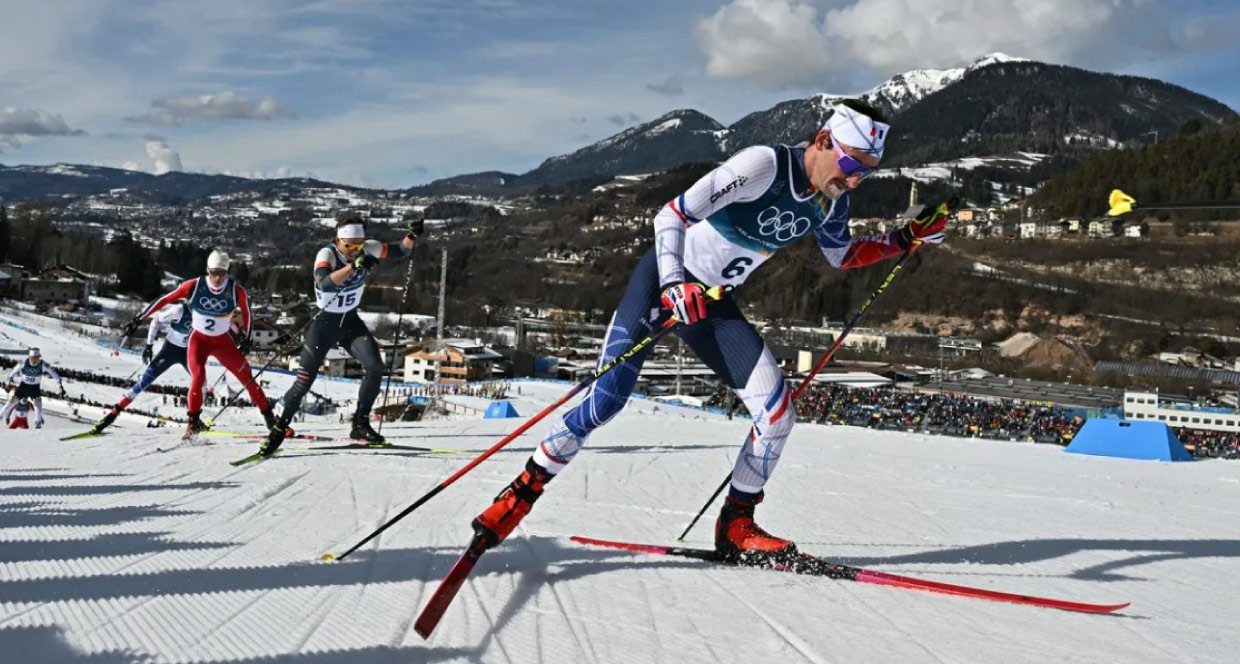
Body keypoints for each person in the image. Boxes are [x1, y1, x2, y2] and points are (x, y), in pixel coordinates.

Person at [471, 100, 953, 560]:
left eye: (867, 172)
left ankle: (736, 526)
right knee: (606, 401)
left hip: (713, 305)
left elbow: (841, 255)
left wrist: (903, 239)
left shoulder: (831, 203)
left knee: (777, 414)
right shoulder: (763, 164)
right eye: (852, 165)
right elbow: (671, 214)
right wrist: (676, 282)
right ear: (825, 140)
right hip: (663, 283)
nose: (855, 180)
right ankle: (522, 492)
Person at [256, 215, 421, 456]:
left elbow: (400, 251)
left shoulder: (368, 248)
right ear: (337, 240)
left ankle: (361, 424)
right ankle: (278, 430)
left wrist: (412, 236)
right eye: (349, 246)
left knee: (375, 367)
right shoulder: (327, 254)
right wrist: (353, 266)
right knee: (304, 380)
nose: (355, 250)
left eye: (359, 245)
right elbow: (324, 283)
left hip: (350, 321)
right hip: (324, 323)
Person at [127, 249, 276, 439]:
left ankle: (271, 421)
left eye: (222, 273)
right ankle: (192, 423)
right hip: (199, 340)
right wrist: (139, 319)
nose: (217, 278)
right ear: (208, 270)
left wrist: (247, 338)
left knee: (247, 377)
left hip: (222, 342)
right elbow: (165, 299)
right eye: (214, 273)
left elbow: (246, 312)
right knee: (198, 378)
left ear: (227, 272)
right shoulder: (195, 286)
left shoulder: (235, 290)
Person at [91, 299, 193, 434]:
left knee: (201, 382)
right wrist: (149, 346)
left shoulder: (210, 314)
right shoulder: (180, 310)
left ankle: (194, 422)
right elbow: (156, 321)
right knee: (143, 382)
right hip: (170, 350)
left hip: (189, 352)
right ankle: (111, 416)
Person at [1, 348, 65, 429]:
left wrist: (60, 386)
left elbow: (54, 374)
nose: (35, 360)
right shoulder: (23, 362)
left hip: (34, 389)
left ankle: (37, 424)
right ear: (29, 357)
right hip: (23, 388)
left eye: (37, 358)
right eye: (33, 358)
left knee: (38, 407)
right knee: (9, 404)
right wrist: (8, 383)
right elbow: (13, 372)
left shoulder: (43, 364)